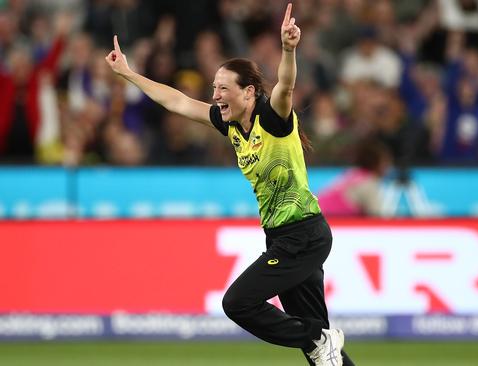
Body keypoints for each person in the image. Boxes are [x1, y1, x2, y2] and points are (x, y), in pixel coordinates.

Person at [105, 4, 352, 366]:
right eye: (214, 87)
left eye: (223, 88)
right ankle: (320, 339)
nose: (216, 95)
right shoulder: (232, 125)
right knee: (321, 353)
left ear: (249, 92)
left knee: (238, 303)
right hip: (282, 237)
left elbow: (286, 85)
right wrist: (128, 73)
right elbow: (177, 101)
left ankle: (318, 336)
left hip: (304, 235)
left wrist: (288, 50)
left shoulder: (273, 118)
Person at [318, 139, 392, 217]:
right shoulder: (369, 182)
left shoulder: (351, 173)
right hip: (330, 221)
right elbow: (376, 217)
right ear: (377, 163)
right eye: (385, 161)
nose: (388, 166)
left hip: (317, 216)